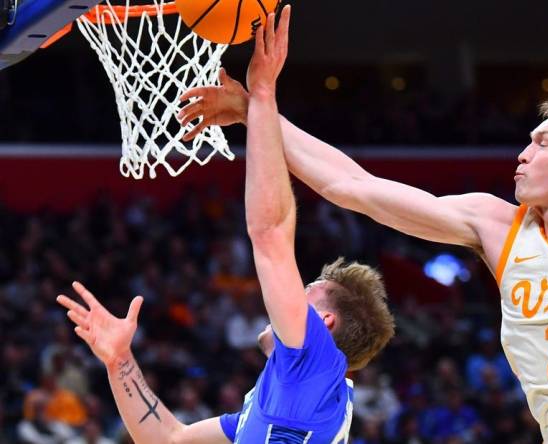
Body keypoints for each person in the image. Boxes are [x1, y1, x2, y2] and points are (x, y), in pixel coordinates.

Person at [179, 33, 548, 442]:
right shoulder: (495, 226)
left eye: (542, 143)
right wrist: (258, 111)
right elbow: (350, 184)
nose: (522, 153)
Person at [56, 6, 395, 443]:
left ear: (324, 322)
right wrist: (119, 359)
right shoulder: (290, 393)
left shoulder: (315, 365)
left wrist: (264, 93)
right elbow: (168, 439)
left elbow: (271, 234)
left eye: (305, 288)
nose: (288, 293)